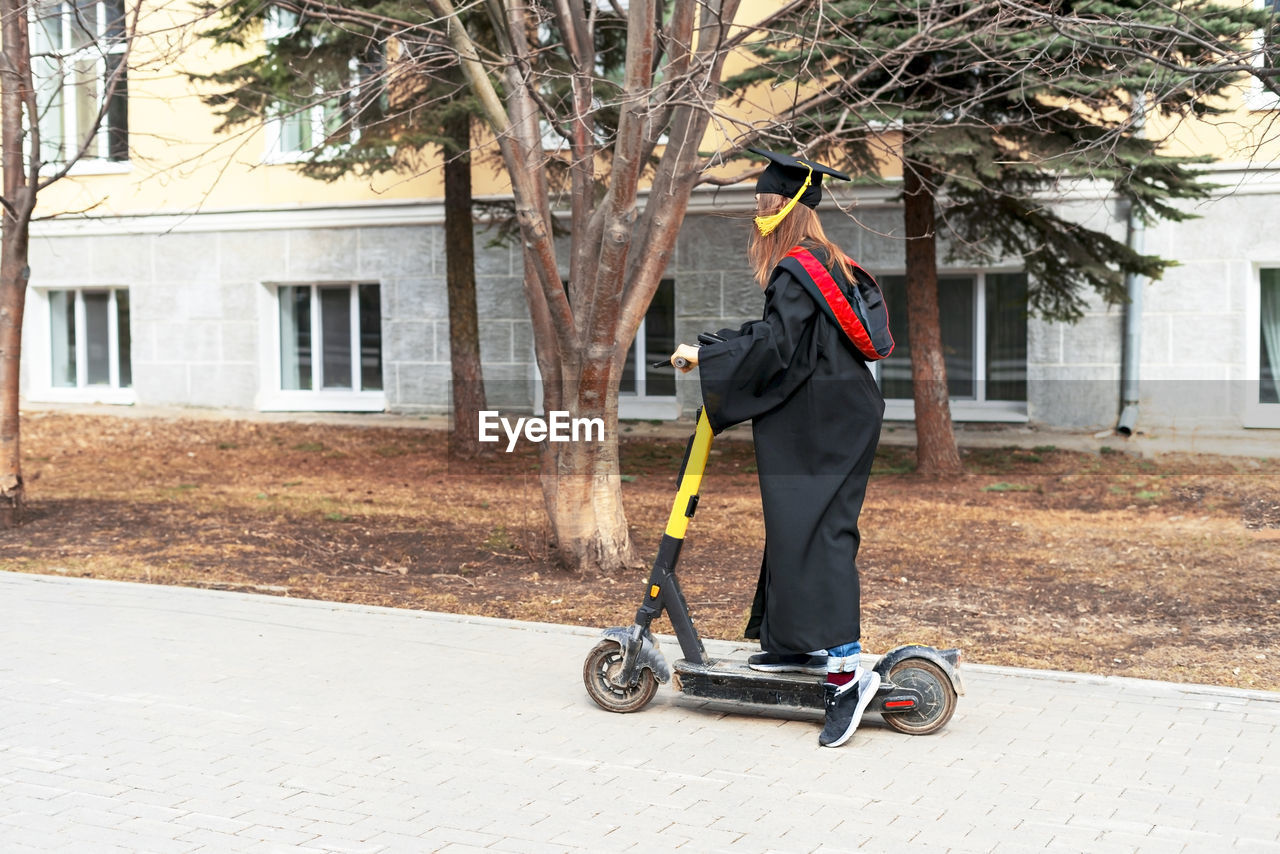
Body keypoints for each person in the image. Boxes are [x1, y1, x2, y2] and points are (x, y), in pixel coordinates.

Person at [669, 148, 893, 748]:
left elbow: (776, 347)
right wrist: (713, 345)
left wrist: (709, 358)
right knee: (799, 526)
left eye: (761, 204)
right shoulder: (828, 261)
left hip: (822, 424)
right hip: (833, 416)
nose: (756, 213)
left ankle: (846, 675)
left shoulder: (797, 266)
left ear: (781, 207)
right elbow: (783, 337)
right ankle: (793, 644)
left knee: (819, 533)